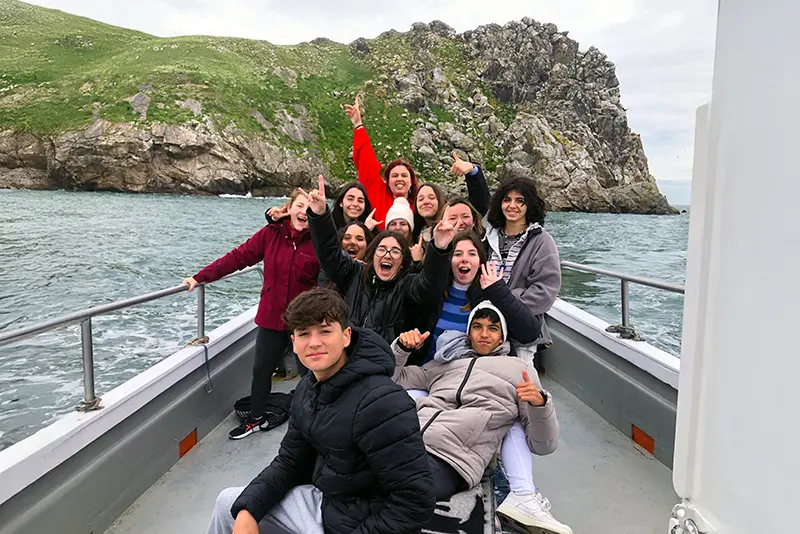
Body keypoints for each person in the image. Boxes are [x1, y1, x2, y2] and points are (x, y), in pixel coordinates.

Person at [205, 288, 436, 534]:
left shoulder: (382, 403)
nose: (314, 343)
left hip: (362, 519)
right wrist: (248, 510)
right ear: (294, 343)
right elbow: (290, 462)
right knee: (229, 506)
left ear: (346, 336)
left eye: (325, 331)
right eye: (304, 333)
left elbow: (415, 503)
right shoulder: (308, 389)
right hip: (330, 503)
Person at [392, 303, 572, 534]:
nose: (484, 334)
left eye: (493, 328)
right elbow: (394, 379)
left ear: (502, 337)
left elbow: (544, 445)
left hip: (450, 457)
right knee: (358, 472)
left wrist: (540, 404)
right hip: (407, 440)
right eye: (477, 326)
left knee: (399, 488)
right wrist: (401, 349)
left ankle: (523, 498)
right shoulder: (445, 363)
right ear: (469, 333)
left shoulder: (519, 370)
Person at [183, 189, 319, 440]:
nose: (304, 212)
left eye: (310, 209)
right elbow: (238, 257)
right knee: (261, 370)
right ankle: (255, 419)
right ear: (288, 209)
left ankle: (314, 423)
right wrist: (200, 277)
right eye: (300, 205)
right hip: (272, 318)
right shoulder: (270, 234)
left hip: (305, 322)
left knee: (312, 373)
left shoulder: (320, 241)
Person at [303, 175, 455, 346]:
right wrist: (320, 215)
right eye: (381, 249)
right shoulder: (355, 273)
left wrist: (440, 248)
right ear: (372, 255)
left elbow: (431, 286)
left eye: (395, 251)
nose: (387, 255)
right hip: (347, 353)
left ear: (403, 262)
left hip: (384, 357)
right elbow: (329, 253)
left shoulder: (407, 285)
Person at [483, 176, 561, 364]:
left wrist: (505, 302)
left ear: (529, 205)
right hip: (485, 323)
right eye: (507, 200)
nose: (512, 206)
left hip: (521, 331)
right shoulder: (487, 238)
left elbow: (544, 292)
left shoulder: (542, 241)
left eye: (520, 201)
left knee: (518, 377)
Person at [345, 98, 419, 230]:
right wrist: (358, 124)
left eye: (404, 175)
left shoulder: (420, 203)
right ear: (388, 181)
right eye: (394, 176)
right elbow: (367, 161)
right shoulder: (379, 195)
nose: (399, 179)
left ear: (411, 181)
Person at [317, 221, 372, 291]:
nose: (352, 242)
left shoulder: (373, 272)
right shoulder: (327, 269)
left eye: (359, 239)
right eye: (347, 238)